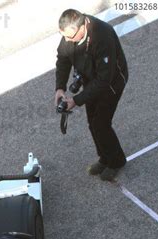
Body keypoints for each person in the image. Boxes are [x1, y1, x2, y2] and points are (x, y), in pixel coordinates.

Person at [55, 9, 128, 181]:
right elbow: (63, 59)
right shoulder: (70, 33)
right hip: (91, 79)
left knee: (100, 123)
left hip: (111, 82)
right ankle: (104, 158)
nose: (67, 40)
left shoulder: (102, 36)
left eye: (70, 37)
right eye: (64, 36)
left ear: (82, 26)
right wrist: (59, 88)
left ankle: (117, 161)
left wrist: (76, 100)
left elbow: (104, 79)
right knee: (92, 122)